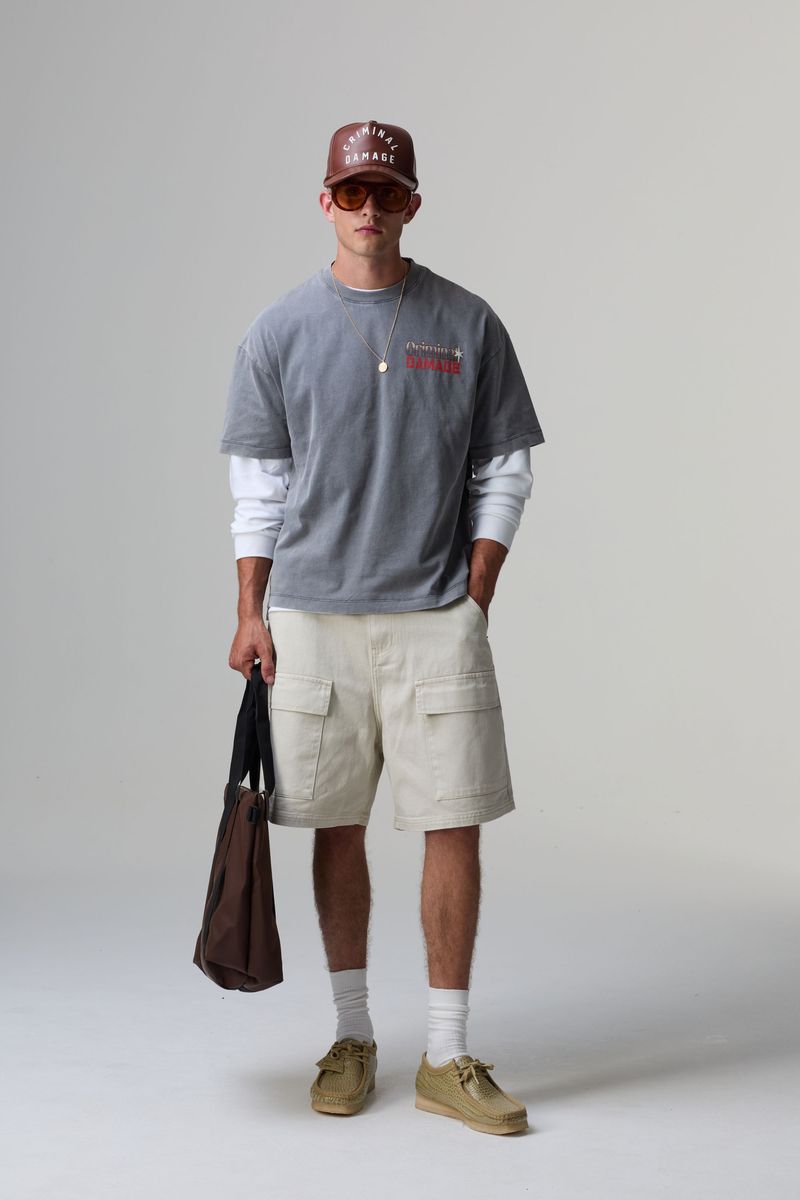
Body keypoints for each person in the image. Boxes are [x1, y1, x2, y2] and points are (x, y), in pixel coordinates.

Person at [218, 120, 545, 1135]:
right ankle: (352, 1035)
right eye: (352, 192)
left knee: (453, 823)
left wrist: (474, 591)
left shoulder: (467, 322)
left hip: (433, 616)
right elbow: (259, 491)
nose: (369, 210)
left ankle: (446, 1053)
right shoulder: (277, 332)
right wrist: (250, 613)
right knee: (335, 824)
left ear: (412, 203)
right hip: (311, 619)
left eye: (387, 193)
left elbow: (504, 468)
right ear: (325, 200)